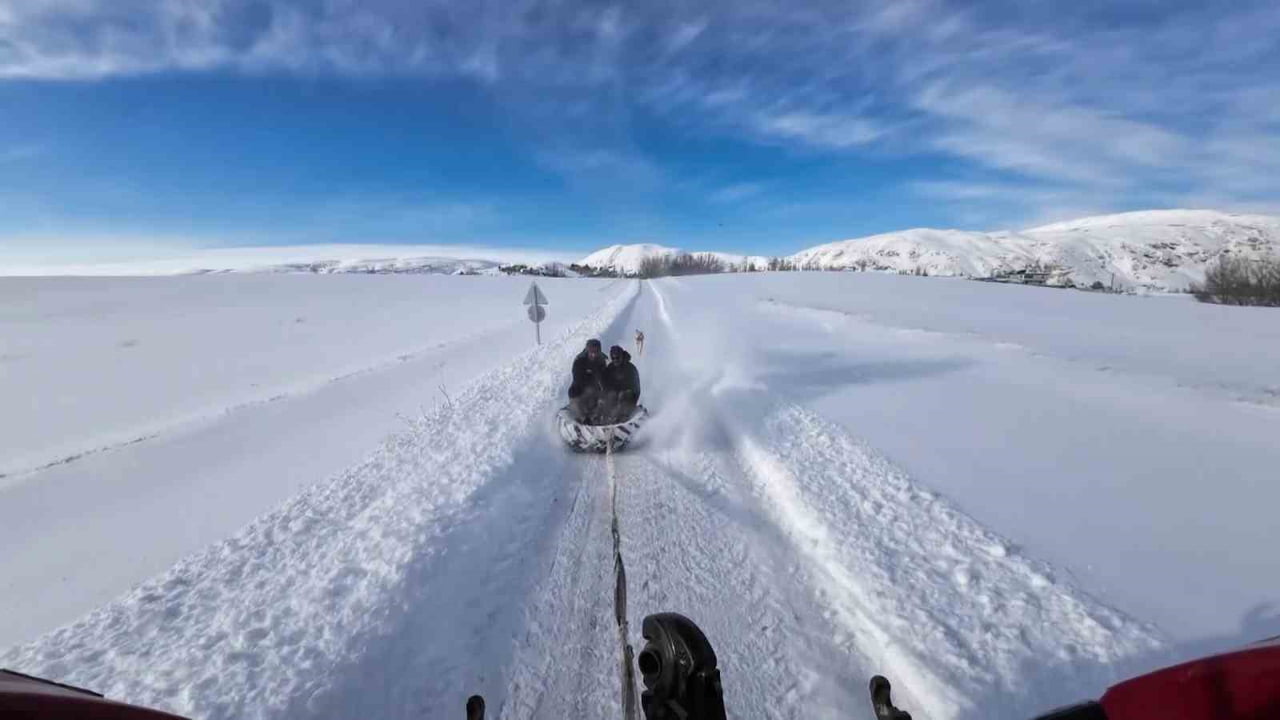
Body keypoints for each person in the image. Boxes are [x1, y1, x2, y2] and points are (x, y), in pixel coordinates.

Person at [568, 339, 608, 422]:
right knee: (574, 392)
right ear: (587, 350)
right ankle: (581, 417)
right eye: (591, 351)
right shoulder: (579, 360)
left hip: (596, 388)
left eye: (596, 351)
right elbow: (577, 378)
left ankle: (599, 416)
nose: (593, 354)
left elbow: (605, 378)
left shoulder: (602, 360)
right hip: (580, 388)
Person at [602, 344, 641, 423]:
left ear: (622, 356)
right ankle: (605, 416)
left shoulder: (630, 368)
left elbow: (636, 388)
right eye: (613, 358)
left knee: (623, 394)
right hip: (615, 397)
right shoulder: (610, 368)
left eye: (617, 357)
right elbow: (605, 384)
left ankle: (623, 416)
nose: (615, 360)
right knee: (609, 395)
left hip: (629, 398)